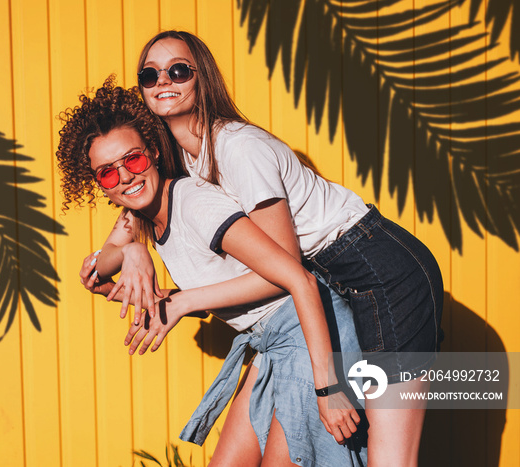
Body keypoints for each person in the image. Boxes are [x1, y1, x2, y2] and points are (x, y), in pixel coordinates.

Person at [85, 30, 444, 466]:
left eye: (178, 70)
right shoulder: (182, 161)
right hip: (320, 293)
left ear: (202, 76)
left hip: (378, 269)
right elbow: (115, 239)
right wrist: (133, 252)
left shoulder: (236, 148)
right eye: (150, 73)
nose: (164, 80)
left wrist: (182, 301)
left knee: (391, 459)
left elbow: (290, 269)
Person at [57, 78, 366, 466]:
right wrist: (132, 253)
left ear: (152, 152)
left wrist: (331, 386)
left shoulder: (194, 205)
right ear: (99, 185)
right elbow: (99, 269)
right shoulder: (143, 217)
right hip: (271, 345)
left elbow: (298, 279)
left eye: (132, 160)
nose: (125, 177)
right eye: (107, 172)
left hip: (310, 336)